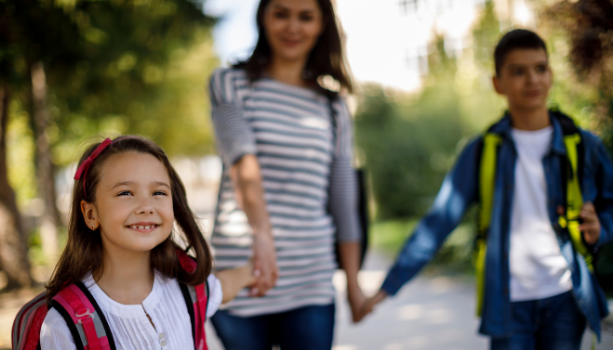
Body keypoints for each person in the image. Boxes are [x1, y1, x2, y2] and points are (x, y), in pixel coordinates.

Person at [358, 29, 613, 349]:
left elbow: (609, 205)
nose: (532, 80)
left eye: (540, 68)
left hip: (566, 298)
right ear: (498, 84)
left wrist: (601, 229)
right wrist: (384, 289)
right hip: (507, 304)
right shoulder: (482, 151)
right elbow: (437, 223)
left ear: (550, 74)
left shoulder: (583, 144)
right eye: (518, 71)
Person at [207, 0, 364, 348]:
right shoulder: (231, 83)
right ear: (264, 17)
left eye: (305, 17)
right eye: (281, 13)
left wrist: (353, 282)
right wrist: (262, 235)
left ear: (322, 24)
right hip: (243, 276)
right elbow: (241, 158)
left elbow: (343, 196)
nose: (293, 27)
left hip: (311, 282)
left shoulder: (334, 106)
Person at [39, 136, 256, 349]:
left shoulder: (186, 284)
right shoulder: (65, 326)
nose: (146, 206)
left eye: (159, 192)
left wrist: (256, 269)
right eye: (125, 192)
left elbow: (223, 286)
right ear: (90, 214)